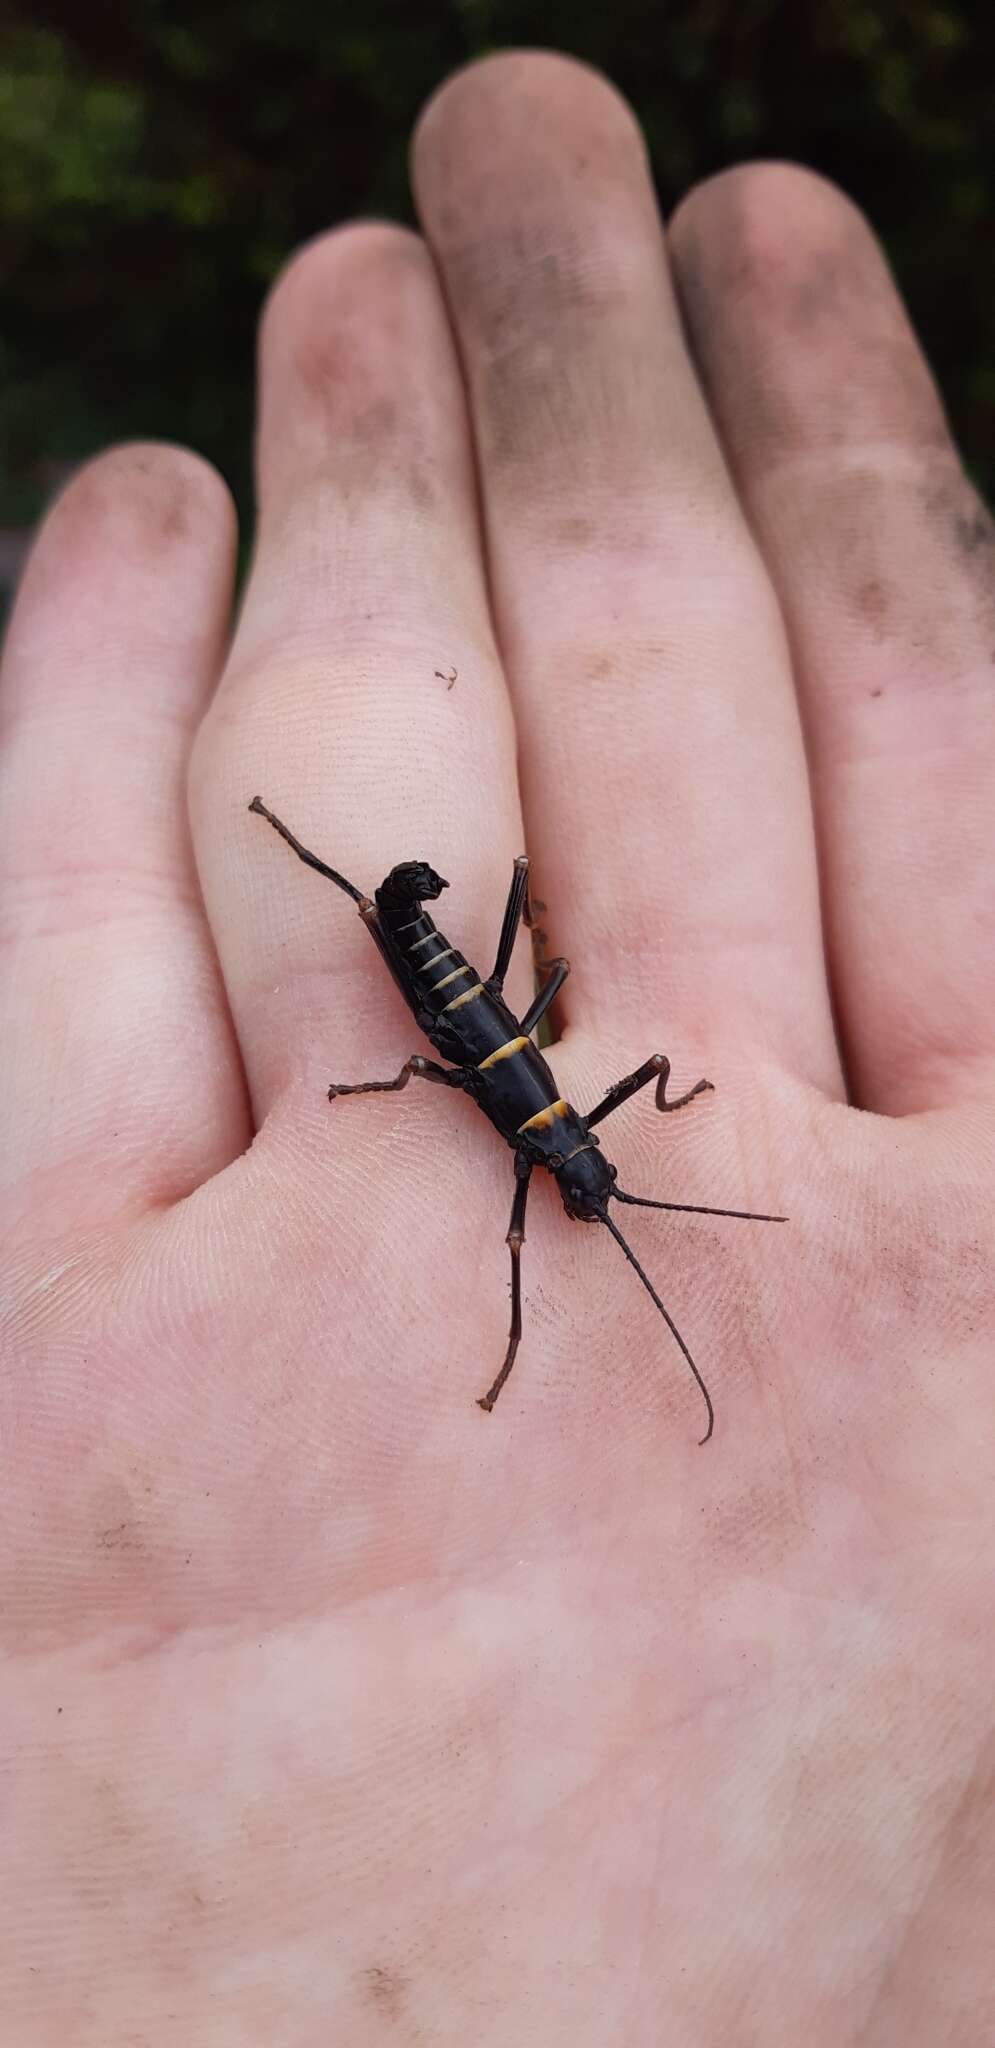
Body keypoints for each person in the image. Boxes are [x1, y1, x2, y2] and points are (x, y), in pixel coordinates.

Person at [2, 48, 992, 2043]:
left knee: (462, 1028)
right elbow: (529, 1125)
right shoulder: (528, 1124)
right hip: (429, 964)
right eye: (598, 1156)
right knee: (438, 1011)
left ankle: (390, 909)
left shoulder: (552, 1131)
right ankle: (366, 885)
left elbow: (563, 1118)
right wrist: (467, 1091)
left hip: (452, 983)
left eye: (593, 1163)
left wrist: (596, 1099)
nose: (588, 1173)